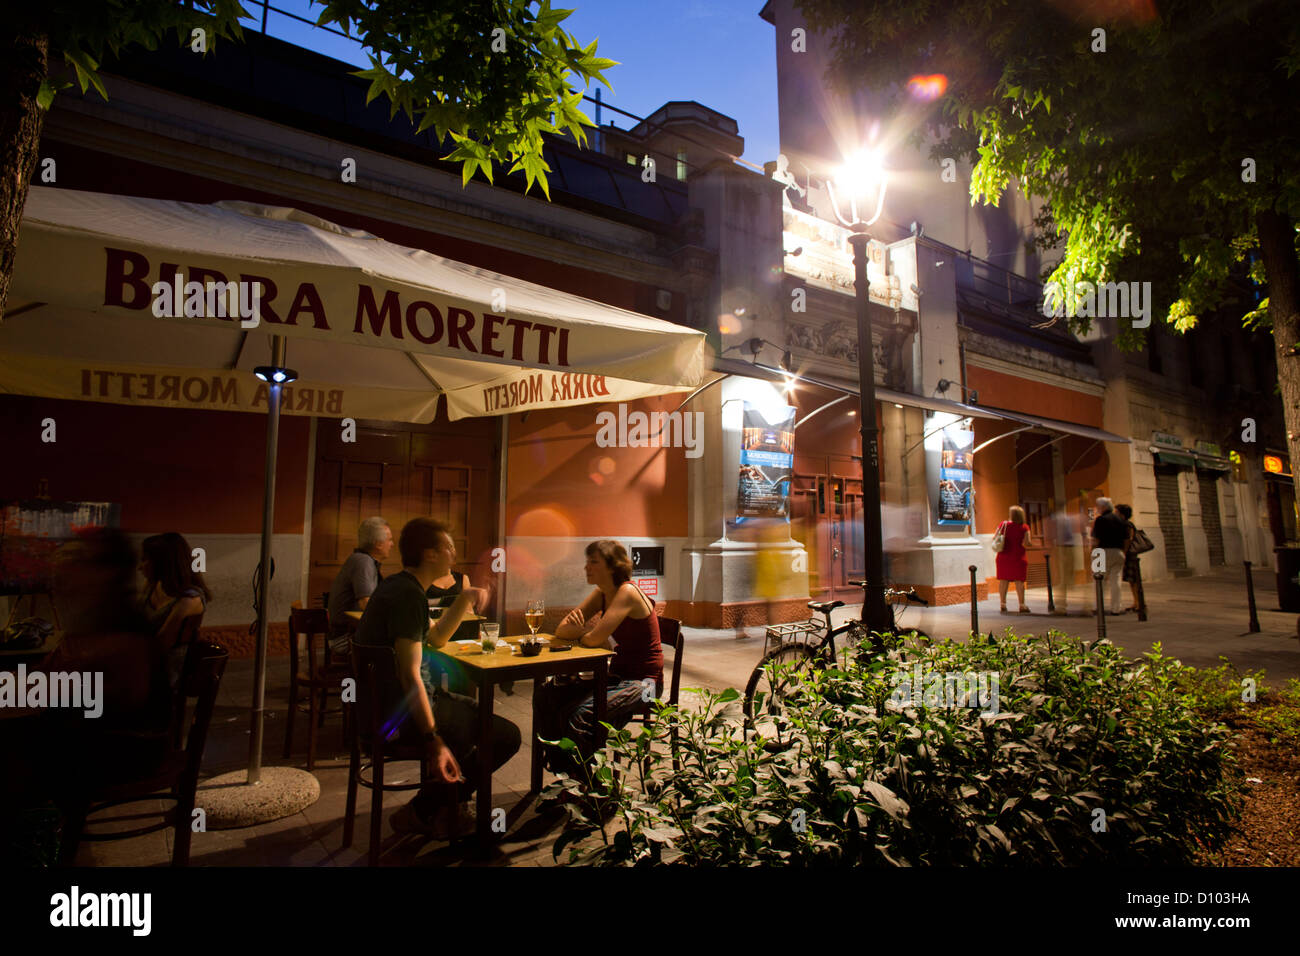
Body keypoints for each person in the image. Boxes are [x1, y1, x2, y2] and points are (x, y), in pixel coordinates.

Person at [352, 518, 520, 840]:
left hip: (384, 709)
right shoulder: (407, 596)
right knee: (504, 735)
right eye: (448, 548)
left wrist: (465, 598)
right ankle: (431, 810)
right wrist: (433, 740)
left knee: (474, 718)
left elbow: (438, 638)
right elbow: (409, 674)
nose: (455, 554)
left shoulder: (402, 587)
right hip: (398, 717)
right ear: (430, 554)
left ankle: (442, 808)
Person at [544, 540, 664, 770]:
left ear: (612, 566)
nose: (586, 567)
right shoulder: (602, 593)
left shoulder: (627, 592)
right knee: (548, 695)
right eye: (587, 561)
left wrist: (585, 633)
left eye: (594, 562)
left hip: (647, 685)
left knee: (581, 714)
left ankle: (592, 791)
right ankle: (563, 774)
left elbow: (593, 639)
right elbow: (562, 629)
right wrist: (588, 633)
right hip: (617, 678)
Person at [139, 532, 211, 682]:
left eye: (145, 560)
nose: (140, 567)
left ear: (162, 562)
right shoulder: (154, 586)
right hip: (144, 663)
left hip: (166, 672)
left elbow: (163, 643)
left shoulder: (190, 598)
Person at [327, 516, 392, 655]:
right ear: (378, 544)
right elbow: (365, 603)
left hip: (348, 633)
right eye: (389, 540)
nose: (392, 544)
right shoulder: (363, 562)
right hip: (345, 639)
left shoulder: (362, 560)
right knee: (400, 645)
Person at [1090, 497, 1131, 615]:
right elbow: (1127, 539)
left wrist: (1093, 552)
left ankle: (1099, 606)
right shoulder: (1120, 520)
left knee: (1099, 580)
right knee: (1116, 581)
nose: (1097, 509)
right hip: (1118, 551)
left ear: (1103, 507)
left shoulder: (1100, 520)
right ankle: (1116, 608)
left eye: (1098, 506)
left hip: (1101, 552)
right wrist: (1124, 551)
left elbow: (1096, 539)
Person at [994, 505, 1034, 613]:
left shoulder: (1004, 525)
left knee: (1003, 581)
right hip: (1018, 556)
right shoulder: (1024, 527)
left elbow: (995, 537)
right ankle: (1022, 605)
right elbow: (1027, 542)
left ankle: (1003, 604)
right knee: (1019, 582)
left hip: (1003, 556)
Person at [1116, 504, 1143, 612]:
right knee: (1132, 581)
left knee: (1134, 580)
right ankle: (1136, 602)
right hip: (1129, 554)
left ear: (1122, 514)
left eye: (1117, 512)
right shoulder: (1125, 524)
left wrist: (1124, 552)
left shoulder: (1127, 525)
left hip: (1130, 555)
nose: (1115, 514)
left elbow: (1129, 539)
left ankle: (1139, 603)